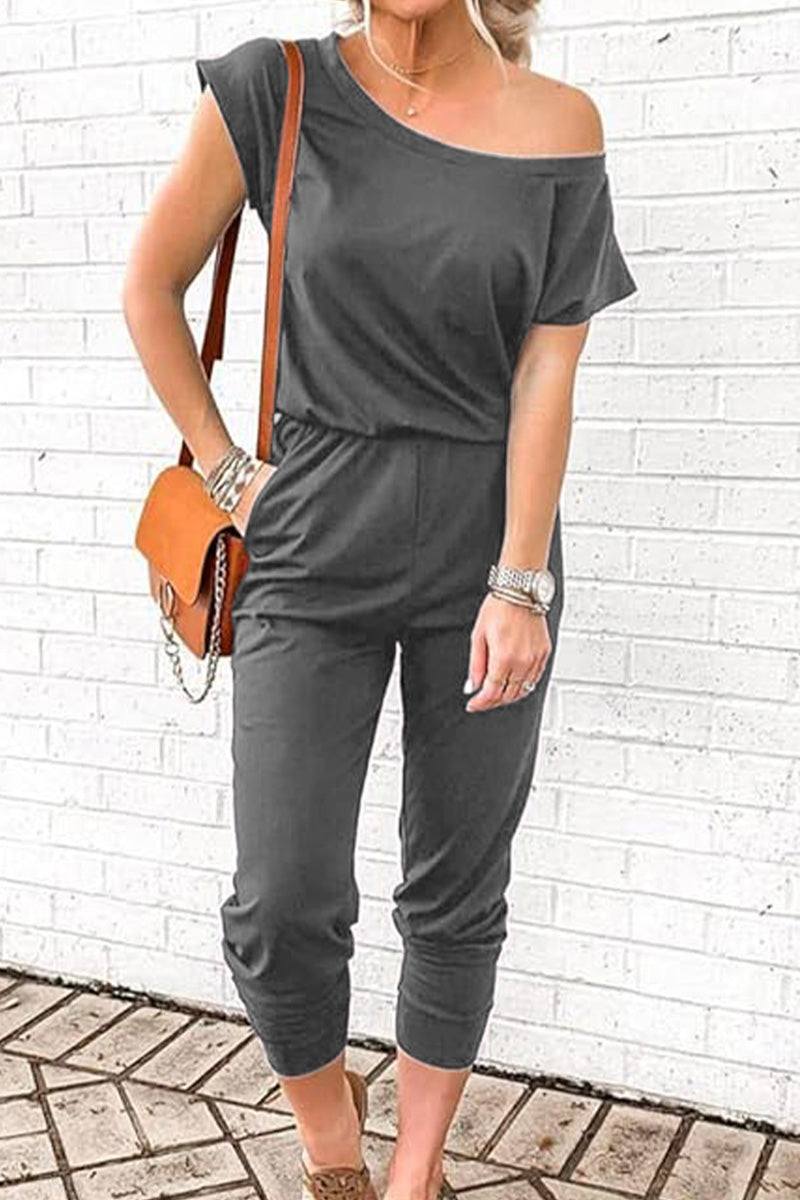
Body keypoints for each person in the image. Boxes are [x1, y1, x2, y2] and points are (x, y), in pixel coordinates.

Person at [122, 2, 637, 1197]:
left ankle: (410, 1175)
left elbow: (547, 369)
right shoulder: (274, 88)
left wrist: (520, 579)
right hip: (310, 532)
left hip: (486, 534)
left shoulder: (558, 126)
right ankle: (328, 1138)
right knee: (281, 902)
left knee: (454, 885)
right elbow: (152, 286)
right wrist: (226, 468)